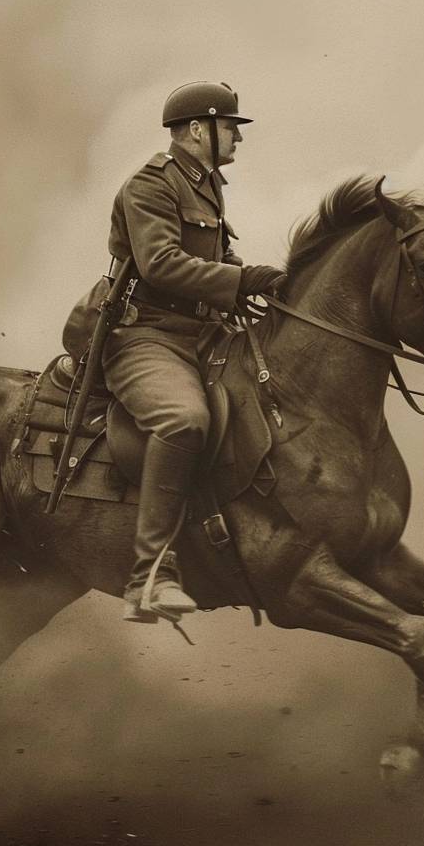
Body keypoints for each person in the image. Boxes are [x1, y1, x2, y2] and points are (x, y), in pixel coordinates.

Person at [102, 81, 285, 624]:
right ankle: (151, 575)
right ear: (197, 130)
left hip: (200, 334)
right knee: (183, 421)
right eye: (231, 127)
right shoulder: (151, 185)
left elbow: (217, 252)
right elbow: (160, 264)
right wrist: (242, 278)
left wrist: (259, 285)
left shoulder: (204, 184)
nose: (237, 139)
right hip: (147, 336)